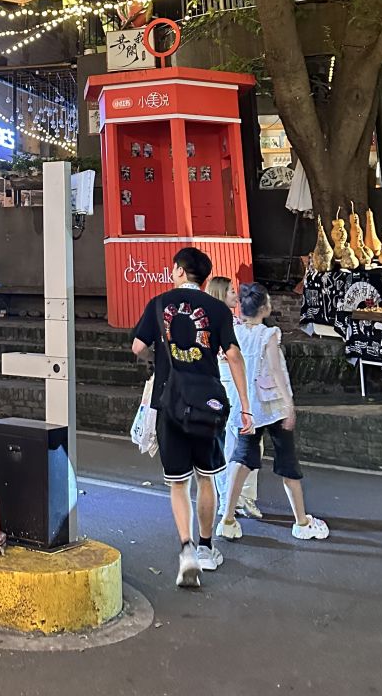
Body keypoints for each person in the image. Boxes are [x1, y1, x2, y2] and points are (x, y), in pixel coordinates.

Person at [131, 247, 253, 589]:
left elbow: (137, 348)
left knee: (178, 483)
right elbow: (233, 355)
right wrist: (245, 406)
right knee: (206, 478)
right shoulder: (217, 309)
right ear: (205, 278)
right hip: (207, 402)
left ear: (180, 271)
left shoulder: (158, 304)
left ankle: (186, 550)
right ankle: (206, 548)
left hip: (169, 402)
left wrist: (163, 349)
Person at [218, 282, 330, 543]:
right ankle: (302, 522)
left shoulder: (235, 332)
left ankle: (227, 519)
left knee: (242, 459)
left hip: (249, 407)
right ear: (264, 308)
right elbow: (276, 371)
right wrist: (289, 405)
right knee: (287, 462)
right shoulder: (269, 335)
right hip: (273, 407)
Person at [208, 275, 262, 521]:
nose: (235, 294)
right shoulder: (224, 323)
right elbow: (235, 357)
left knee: (236, 443)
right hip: (229, 385)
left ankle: (238, 497)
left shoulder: (229, 322)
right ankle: (232, 499)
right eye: (230, 290)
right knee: (232, 443)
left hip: (232, 384)